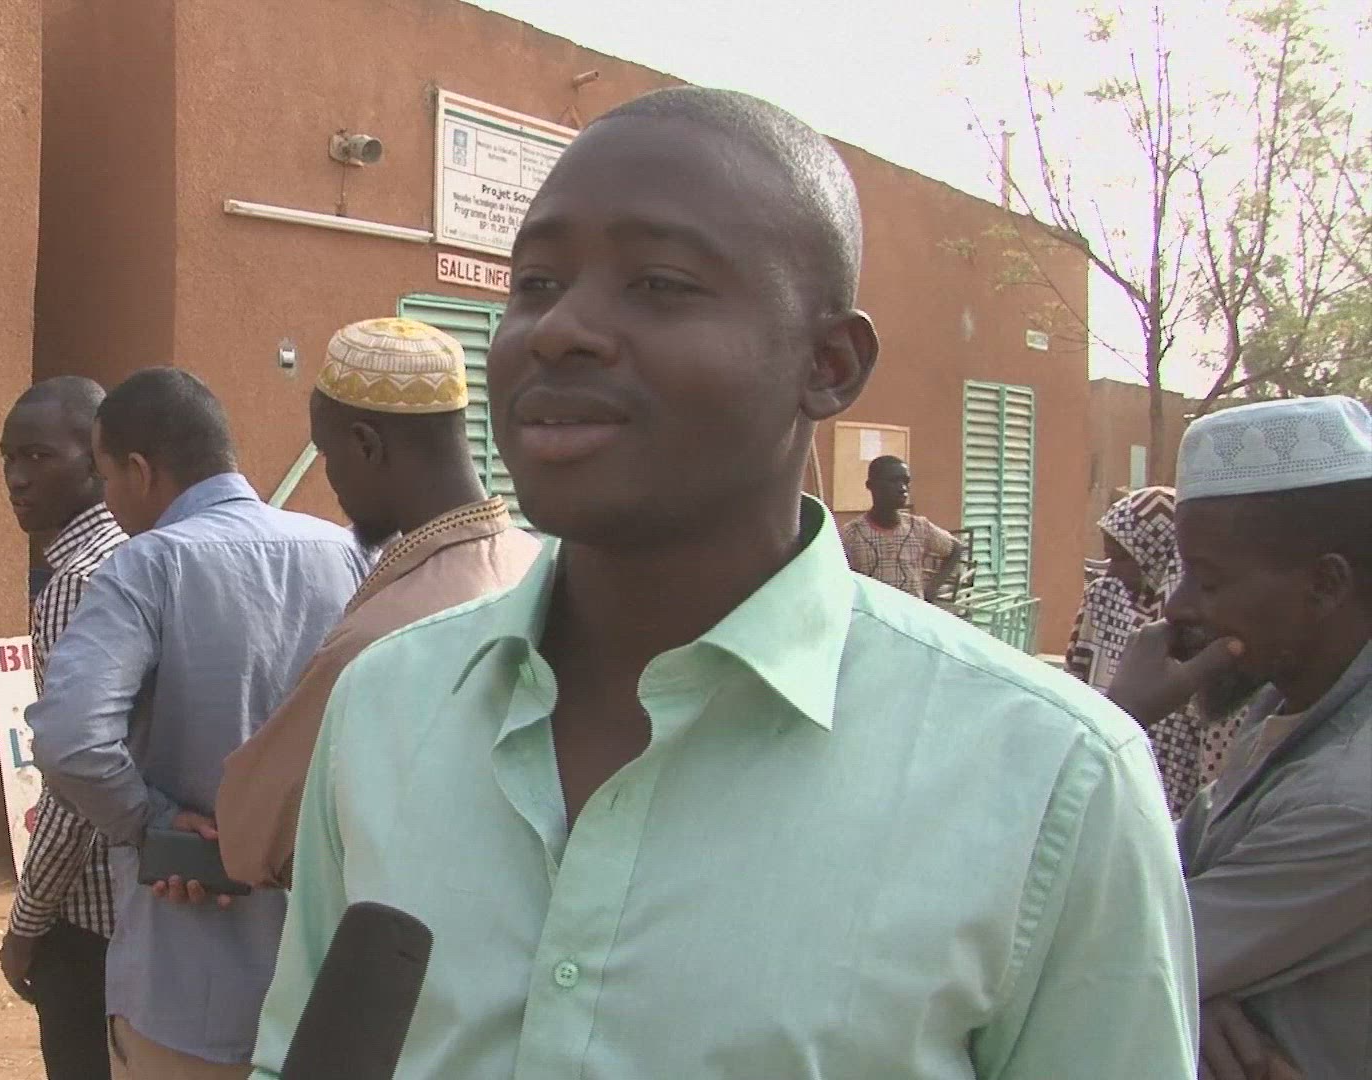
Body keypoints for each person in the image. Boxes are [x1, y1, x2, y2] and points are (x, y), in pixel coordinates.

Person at [250, 86, 1195, 1079]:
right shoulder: (387, 706)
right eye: (535, 283)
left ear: (829, 364)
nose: (558, 329)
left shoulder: (1053, 783)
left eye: (659, 284)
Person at [27, 368, 368, 1080]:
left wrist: (153, 823)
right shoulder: (344, 553)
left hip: (186, 980)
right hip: (323, 972)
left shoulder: (146, 566)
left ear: (140, 471)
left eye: (106, 477)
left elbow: (72, 740)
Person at [215, 317, 541, 889]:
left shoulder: (386, 638)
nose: (330, 476)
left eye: (327, 453)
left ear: (366, 444)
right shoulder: (535, 566)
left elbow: (254, 835)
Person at [1107, 395, 1372, 1080]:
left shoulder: (1349, 796)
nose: (1176, 605)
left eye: (1210, 579)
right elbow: (1166, 879)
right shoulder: (1287, 703)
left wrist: (1111, 726)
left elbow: (1087, 961)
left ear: (1325, 584)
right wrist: (1191, 994)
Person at [0, 377, 129, 1080]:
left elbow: (76, 775)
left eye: (40, 457)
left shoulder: (78, 580)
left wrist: (27, 923)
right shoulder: (146, 551)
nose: (17, 478)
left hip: (92, 913)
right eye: (9, 458)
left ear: (97, 460)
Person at [1066, 486, 1242, 815]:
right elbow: (1076, 675)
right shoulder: (1104, 600)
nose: (1112, 571)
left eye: (1123, 559)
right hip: (1107, 775)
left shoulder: (1201, 628)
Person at [838, 454, 963, 601]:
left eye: (906, 481)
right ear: (871, 485)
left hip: (912, 611)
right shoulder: (852, 533)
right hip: (872, 612)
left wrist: (932, 588)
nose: (902, 488)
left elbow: (955, 549)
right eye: (893, 481)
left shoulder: (919, 527)